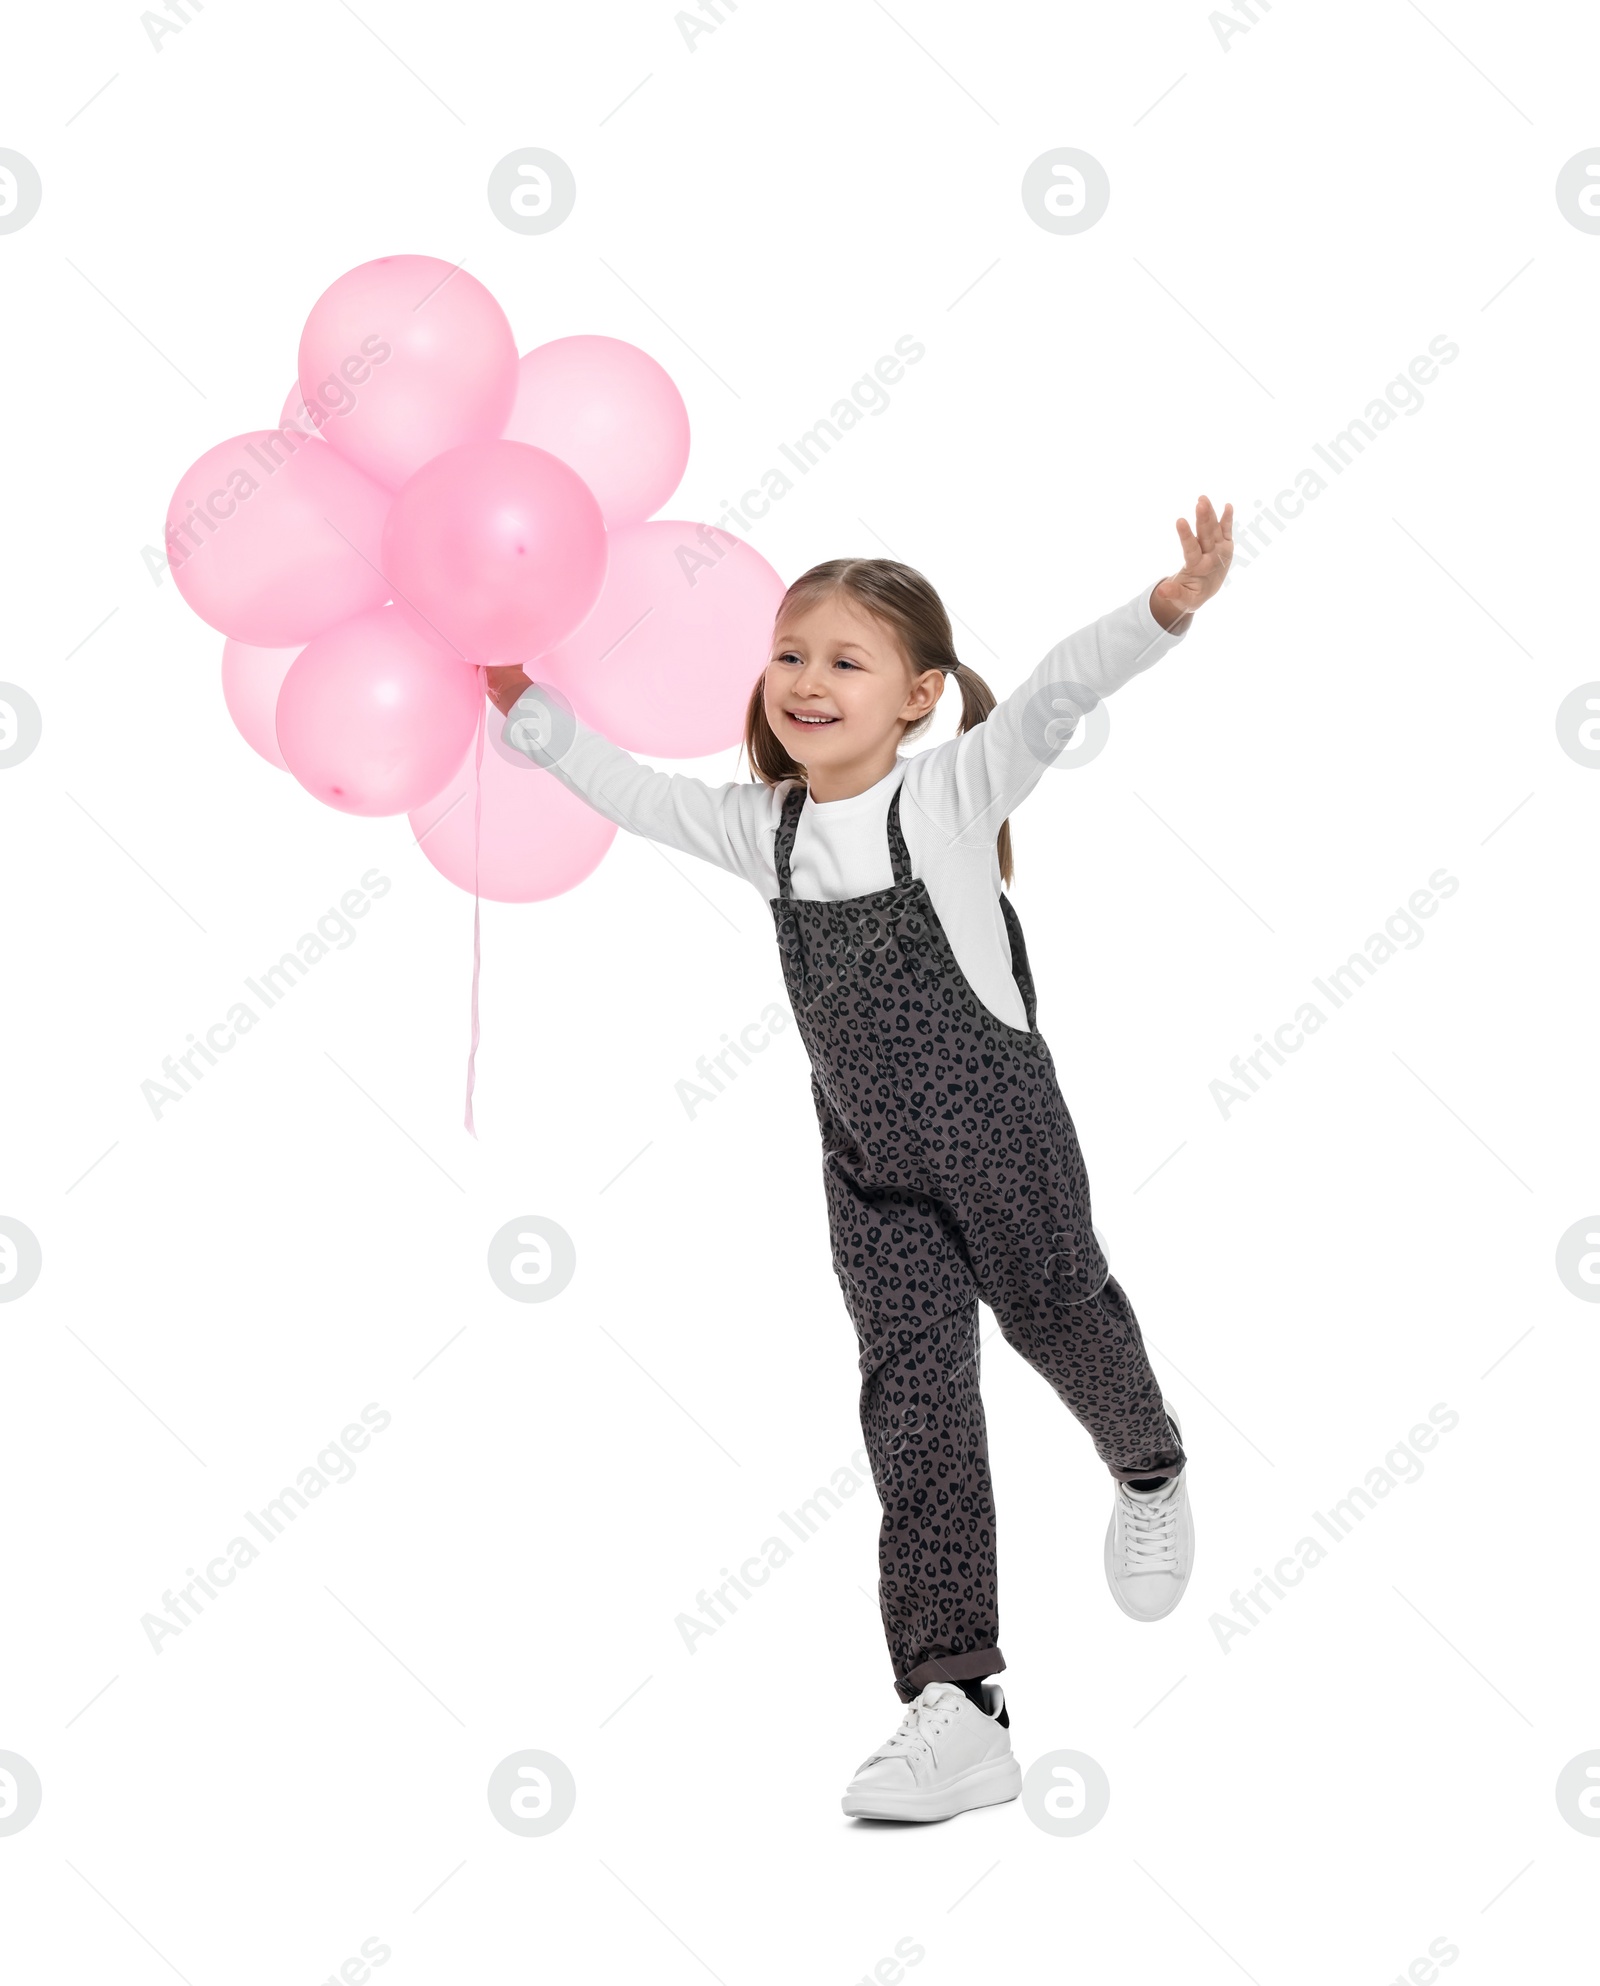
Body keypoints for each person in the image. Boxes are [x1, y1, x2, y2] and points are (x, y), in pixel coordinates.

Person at [487, 495, 1234, 1823]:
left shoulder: (947, 793)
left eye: (845, 659)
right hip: (871, 1170)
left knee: (1062, 1318)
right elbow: (632, 791)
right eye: (790, 655)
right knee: (913, 1403)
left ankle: (1151, 1465)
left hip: (1004, 1140)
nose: (807, 681)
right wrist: (522, 703)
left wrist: (1166, 607)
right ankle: (959, 1703)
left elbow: (1058, 691)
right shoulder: (761, 830)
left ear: (919, 694)